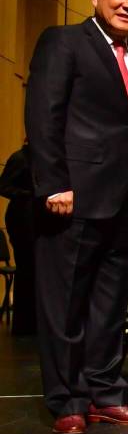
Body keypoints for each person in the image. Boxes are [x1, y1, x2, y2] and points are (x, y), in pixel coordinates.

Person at [24, 0, 128, 434]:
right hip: (73, 198)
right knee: (64, 307)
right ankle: (67, 401)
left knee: (108, 305)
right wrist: (54, 183)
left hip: (122, 204)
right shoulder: (63, 42)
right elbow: (44, 116)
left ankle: (105, 394)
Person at [0, 142, 35, 336]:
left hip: (33, 219)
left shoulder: (40, 158)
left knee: (34, 271)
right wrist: (28, 194)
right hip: (21, 219)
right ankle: (23, 324)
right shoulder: (20, 158)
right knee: (26, 269)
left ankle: (32, 323)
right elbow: (3, 186)